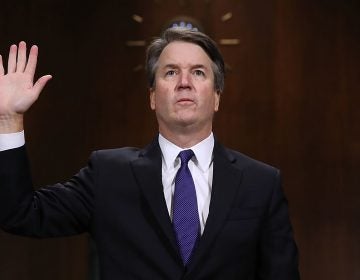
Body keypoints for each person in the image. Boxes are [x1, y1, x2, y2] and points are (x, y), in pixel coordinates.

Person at [0, 28, 300, 279]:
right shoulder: (108, 174)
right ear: (153, 97)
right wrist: (8, 120)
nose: (185, 82)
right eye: (171, 72)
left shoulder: (261, 183)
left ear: (217, 97)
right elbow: (21, 214)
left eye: (198, 72)